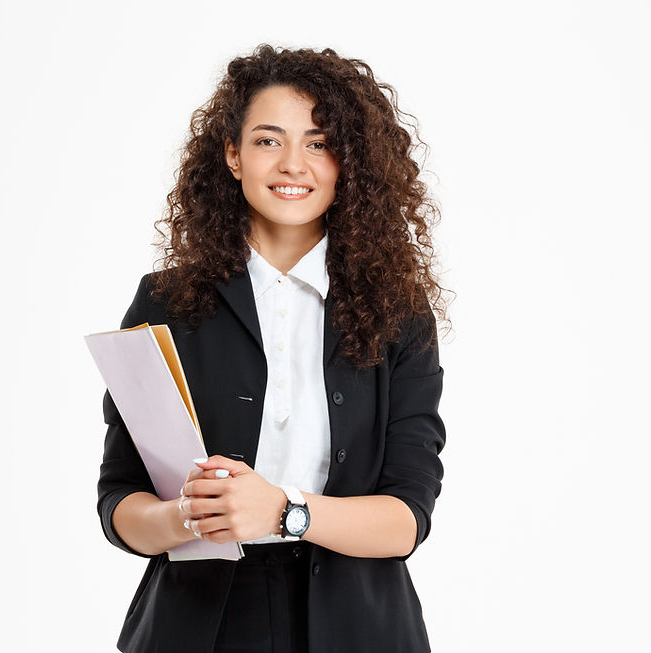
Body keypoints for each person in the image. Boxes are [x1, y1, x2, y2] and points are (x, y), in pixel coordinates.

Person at [96, 44, 448, 653]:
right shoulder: (165, 301)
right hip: (196, 627)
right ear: (232, 155)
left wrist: (284, 511)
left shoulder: (399, 313)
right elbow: (120, 498)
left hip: (359, 628)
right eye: (267, 140)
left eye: (318, 142)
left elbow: (407, 517)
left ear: (349, 162)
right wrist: (187, 517)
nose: (293, 164)